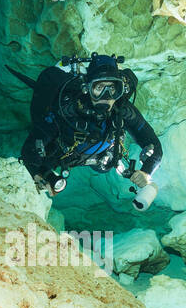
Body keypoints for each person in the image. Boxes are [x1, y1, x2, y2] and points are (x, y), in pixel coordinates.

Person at [16, 53, 163, 208]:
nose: (106, 97)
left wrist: (146, 172)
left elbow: (154, 146)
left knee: (103, 169)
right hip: (64, 156)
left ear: (120, 90)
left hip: (103, 157)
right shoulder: (67, 110)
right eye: (99, 88)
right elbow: (29, 150)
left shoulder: (123, 110)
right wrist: (41, 174)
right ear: (87, 88)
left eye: (112, 88)